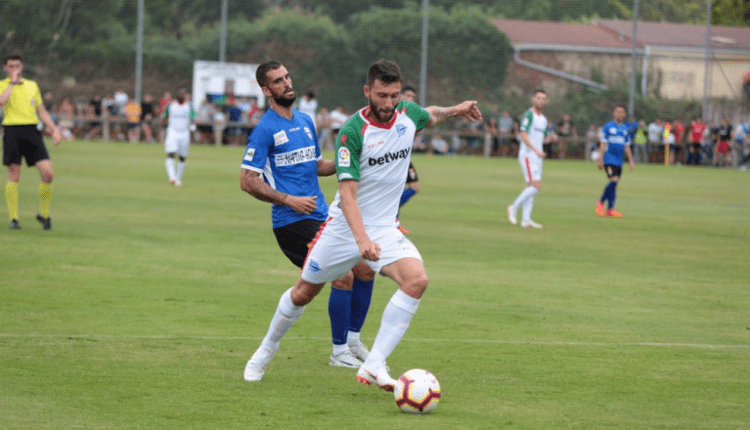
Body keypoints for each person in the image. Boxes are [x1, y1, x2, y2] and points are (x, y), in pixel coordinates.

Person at [243, 60, 482, 388]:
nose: (388, 103)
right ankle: (265, 350)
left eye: (394, 96)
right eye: (382, 95)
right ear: (367, 91)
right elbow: (348, 194)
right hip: (342, 227)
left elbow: (432, 113)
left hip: (384, 226)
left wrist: (458, 109)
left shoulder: (407, 114)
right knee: (303, 292)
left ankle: (373, 363)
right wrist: (360, 240)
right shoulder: (352, 132)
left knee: (416, 280)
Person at [240, 61, 377, 376]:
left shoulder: (304, 120)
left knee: (365, 268)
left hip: (320, 217)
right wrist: (288, 199)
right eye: (278, 81)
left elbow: (317, 164)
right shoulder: (264, 129)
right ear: (266, 90)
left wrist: (352, 160)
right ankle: (334, 351)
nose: (287, 83)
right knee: (343, 276)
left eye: (287, 77)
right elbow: (248, 180)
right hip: (290, 222)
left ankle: (352, 342)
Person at [1, 54, 62, 230]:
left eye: (17, 66)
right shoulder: (3, 85)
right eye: (11, 66)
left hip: (31, 131)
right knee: (14, 173)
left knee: (47, 173)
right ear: (6, 68)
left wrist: (54, 129)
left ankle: (43, 214)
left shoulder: (31, 85)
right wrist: (12, 82)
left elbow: (41, 110)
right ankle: (14, 218)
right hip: (12, 130)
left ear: (22, 67)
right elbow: (2, 101)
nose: (15, 69)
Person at [507, 89, 548, 229]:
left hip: (537, 156)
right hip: (528, 154)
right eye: (538, 97)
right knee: (536, 185)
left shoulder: (543, 119)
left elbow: (543, 137)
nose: (540, 100)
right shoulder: (528, 114)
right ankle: (513, 207)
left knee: (531, 186)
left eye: (543, 98)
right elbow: (523, 134)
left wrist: (551, 138)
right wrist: (536, 150)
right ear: (533, 99)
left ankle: (526, 219)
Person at [595, 105, 635, 218]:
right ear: (614, 113)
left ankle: (610, 210)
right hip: (609, 158)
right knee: (614, 180)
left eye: (622, 112)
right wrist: (600, 159)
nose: (620, 114)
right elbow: (603, 144)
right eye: (618, 112)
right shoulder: (608, 127)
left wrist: (631, 161)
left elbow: (627, 146)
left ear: (624, 114)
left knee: (614, 184)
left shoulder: (625, 129)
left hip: (619, 160)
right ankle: (601, 203)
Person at [396, 85, 421, 234]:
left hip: (405, 157)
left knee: (414, 186)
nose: (410, 99)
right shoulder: (395, 113)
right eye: (408, 96)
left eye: (413, 97)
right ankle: (394, 222)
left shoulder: (411, 114)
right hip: (394, 158)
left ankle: (394, 219)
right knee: (402, 188)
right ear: (401, 96)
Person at [162, 89, 195, 186]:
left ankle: (177, 177)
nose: (182, 96)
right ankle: (172, 177)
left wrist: (192, 128)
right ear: (177, 97)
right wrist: (163, 125)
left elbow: (193, 118)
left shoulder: (189, 106)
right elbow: (164, 116)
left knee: (182, 157)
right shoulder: (171, 106)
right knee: (171, 153)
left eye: (183, 95)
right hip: (173, 132)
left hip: (184, 133)